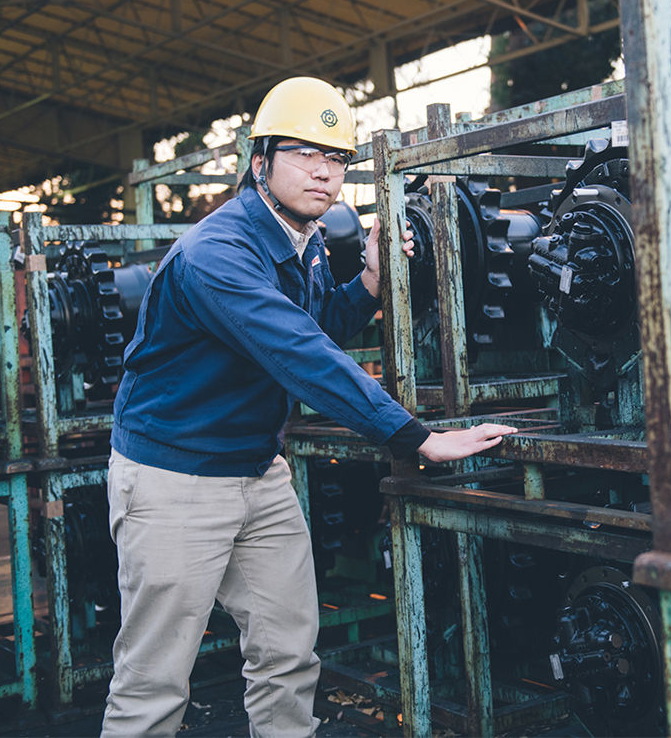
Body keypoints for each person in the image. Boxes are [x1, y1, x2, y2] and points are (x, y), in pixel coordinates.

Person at [101, 76, 516, 737]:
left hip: (256, 471)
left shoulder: (305, 239)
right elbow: (298, 352)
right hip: (174, 480)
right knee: (153, 678)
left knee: (288, 654)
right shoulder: (218, 254)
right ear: (260, 161)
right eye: (305, 153)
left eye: (337, 159)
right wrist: (414, 436)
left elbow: (315, 321)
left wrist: (373, 283)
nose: (324, 172)